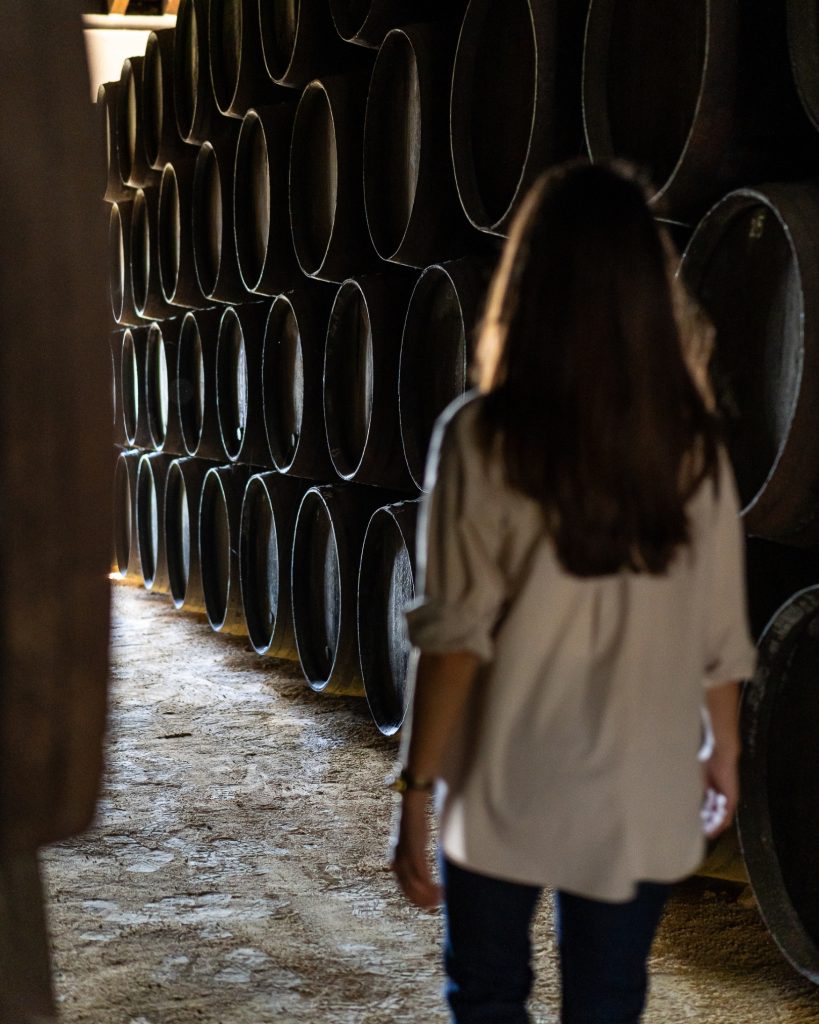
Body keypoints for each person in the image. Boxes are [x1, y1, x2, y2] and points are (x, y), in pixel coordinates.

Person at [389, 161, 757, 1024]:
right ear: (646, 291)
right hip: (639, 786)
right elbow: (719, 634)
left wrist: (414, 790)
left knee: (486, 999)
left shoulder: (480, 437)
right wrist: (723, 748)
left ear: (531, 280)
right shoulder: (693, 448)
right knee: (606, 1005)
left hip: (500, 784)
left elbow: (451, 641)